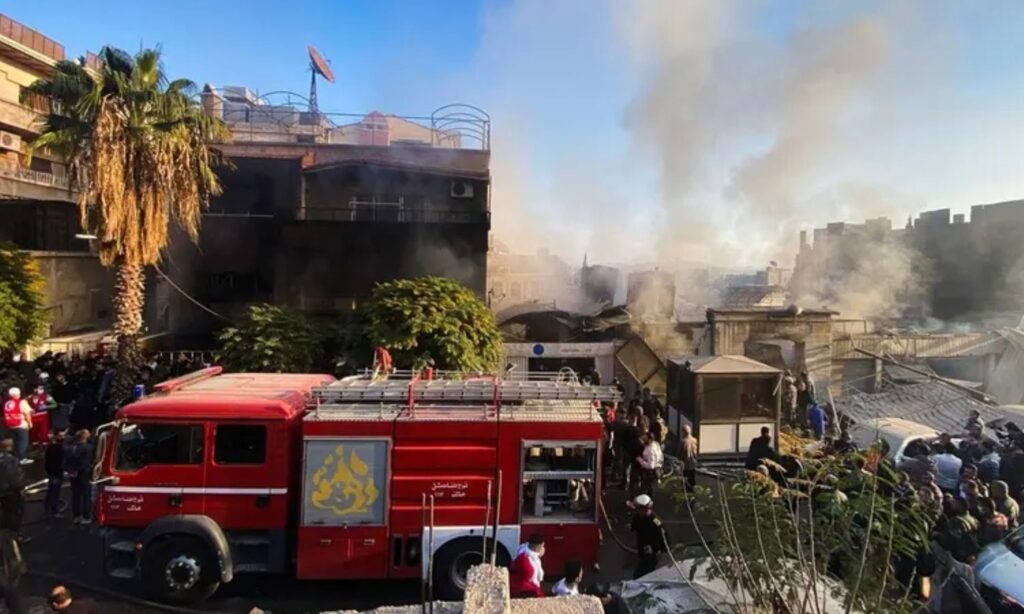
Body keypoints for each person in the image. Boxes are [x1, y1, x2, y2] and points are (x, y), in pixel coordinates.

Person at [630, 494, 668, 579]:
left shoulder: (655, 521)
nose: (640, 512)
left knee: (642, 574)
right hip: (642, 548)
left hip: (652, 552)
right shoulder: (637, 517)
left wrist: (656, 549)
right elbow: (634, 527)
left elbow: (664, 536)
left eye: (641, 509)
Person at [64, 430, 93, 524]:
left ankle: (76, 515)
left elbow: (65, 462)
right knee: (86, 495)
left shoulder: (69, 448)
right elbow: (85, 463)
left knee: (75, 495)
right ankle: (86, 516)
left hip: (72, 474)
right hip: (84, 474)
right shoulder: (88, 448)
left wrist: (71, 471)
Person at [508, 533, 545, 598]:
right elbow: (531, 576)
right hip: (528, 590)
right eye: (542, 546)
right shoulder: (525, 559)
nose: (543, 548)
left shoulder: (526, 550)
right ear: (537, 547)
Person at [0, 439, 24, 536]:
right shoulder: (12, 461)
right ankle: (15, 535)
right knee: (14, 514)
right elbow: (17, 478)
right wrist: (21, 488)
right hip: (11, 492)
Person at [2, 389, 33, 465]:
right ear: (18, 394)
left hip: (11, 425)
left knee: (16, 441)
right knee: (23, 442)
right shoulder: (22, 402)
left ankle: (16, 457)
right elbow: (27, 413)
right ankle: (22, 459)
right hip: (20, 425)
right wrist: (30, 423)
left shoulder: (7, 403)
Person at [44, 430, 66, 519]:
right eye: (61, 436)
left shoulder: (51, 447)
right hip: (56, 473)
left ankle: (47, 508)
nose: (63, 438)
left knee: (51, 491)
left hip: (52, 473)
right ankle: (53, 511)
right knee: (54, 493)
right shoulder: (59, 449)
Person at [636, 432, 663, 499]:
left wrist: (640, 460)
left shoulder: (650, 450)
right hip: (657, 470)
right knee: (651, 488)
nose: (643, 440)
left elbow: (651, 465)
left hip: (649, 473)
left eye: (645, 439)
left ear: (649, 440)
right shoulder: (656, 444)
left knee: (647, 489)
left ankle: (648, 503)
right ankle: (650, 503)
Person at [679, 425, 699, 492]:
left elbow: (681, 453)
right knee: (692, 477)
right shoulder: (694, 440)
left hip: (685, 464)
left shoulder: (683, 441)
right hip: (693, 463)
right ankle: (693, 489)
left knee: (685, 478)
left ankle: (685, 490)